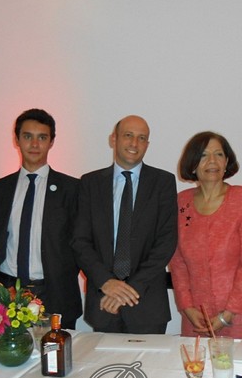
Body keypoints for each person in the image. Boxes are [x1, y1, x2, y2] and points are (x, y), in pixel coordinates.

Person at [72, 115, 178, 334]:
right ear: (114, 139)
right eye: (128, 135)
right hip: (104, 301)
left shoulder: (163, 182)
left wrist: (129, 290)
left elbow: (166, 242)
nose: (134, 143)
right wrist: (106, 283)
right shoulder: (90, 183)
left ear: (147, 144)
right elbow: (80, 241)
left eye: (142, 138)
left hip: (147, 304)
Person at [0, 108, 82, 329]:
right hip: (9, 291)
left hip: (55, 292)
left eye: (42, 137)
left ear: (51, 142)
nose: (34, 144)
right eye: (28, 136)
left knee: (54, 351)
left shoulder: (72, 189)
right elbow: (1, 238)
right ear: (17, 139)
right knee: (11, 350)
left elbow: (79, 243)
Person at [169, 132, 242, 338]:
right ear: (193, 163)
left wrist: (228, 315)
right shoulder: (181, 202)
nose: (212, 161)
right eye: (203, 155)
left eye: (219, 154)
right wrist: (187, 307)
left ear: (226, 161)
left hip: (238, 317)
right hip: (196, 319)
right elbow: (177, 263)